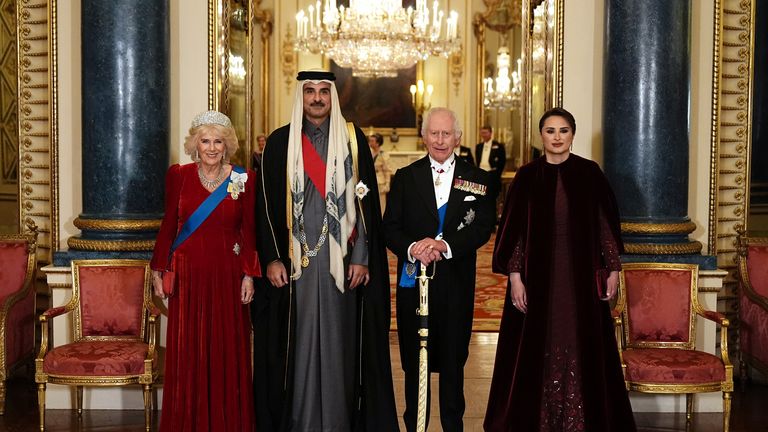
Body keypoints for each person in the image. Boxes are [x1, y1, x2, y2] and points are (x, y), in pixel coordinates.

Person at [253, 70, 398, 432]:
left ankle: (337, 420)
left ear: (333, 96)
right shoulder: (279, 143)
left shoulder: (351, 139)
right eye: (310, 91)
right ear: (300, 96)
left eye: (323, 92)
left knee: (338, 343)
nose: (317, 98)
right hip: (295, 263)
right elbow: (266, 206)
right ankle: (300, 421)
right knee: (298, 346)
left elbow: (364, 201)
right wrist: (271, 257)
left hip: (342, 262)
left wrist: (363, 254)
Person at [484, 107, 636, 431]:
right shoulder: (525, 177)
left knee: (580, 341)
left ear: (572, 135)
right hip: (536, 280)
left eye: (563, 131)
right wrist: (515, 278)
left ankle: (580, 420)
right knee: (539, 344)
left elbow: (605, 226)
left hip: (580, 278)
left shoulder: (590, 173)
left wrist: (613, 269)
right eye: (550, 131)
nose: (556, 137)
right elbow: (515, 234)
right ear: (541, 135)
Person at [383, 107, 498, 432]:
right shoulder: (406, 177)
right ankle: (414, 425)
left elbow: (482, 228)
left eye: (447, 133)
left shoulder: (477, 179)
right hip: (414, 284)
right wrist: (413, 247)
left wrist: (444, 247)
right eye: (434, 133)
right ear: (424, 136)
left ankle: (452, 425)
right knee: (414, 362)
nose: (440, 140)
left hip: (456, 284)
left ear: (458, 137)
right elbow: (389, 227)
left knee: (452, 362)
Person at [150, 110, 258, 431]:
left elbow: (249, 231)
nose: (211, 148)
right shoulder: (178, 175)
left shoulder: (244, 178)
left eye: (218, 142)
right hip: (187, 275)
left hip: (227, 274)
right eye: (205, 141)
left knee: (226, 351)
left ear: (228, 146)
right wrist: (158, 268)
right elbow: (169, 224)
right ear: (195, 144)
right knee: (188, 351)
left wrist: (249, 273)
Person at [368, 132, 392, 212]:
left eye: (372, 141)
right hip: (370, 180)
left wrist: (387, 184)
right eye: (370, 141)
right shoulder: (369, 153)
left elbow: (387, 170)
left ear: (378, 143)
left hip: (380, 182)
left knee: (381, 205)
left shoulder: (383, 154)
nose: (370, 143)